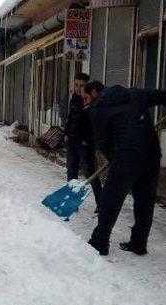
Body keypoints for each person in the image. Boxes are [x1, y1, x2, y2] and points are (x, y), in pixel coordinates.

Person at [83, 81, 166, 256]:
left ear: (94, 92)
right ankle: (138, 243)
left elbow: (102, 142)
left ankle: (100, 241)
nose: (85, 102)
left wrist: (114, 157)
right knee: (145, 201)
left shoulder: (97, 110)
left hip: (126, 156)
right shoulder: (134, 94)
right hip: (151, 154)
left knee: (110, 199)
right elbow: (161, 95)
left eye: (85, 98)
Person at [64, 73, 102, 210]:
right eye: (76, 85)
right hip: (72, 141)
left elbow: (94, 125)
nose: (78, 88)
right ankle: (72, 202)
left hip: (85, 144)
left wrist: (88, 140)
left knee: (90, 173)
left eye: (81, 86)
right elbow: (70, 118)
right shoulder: (74, 99)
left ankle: (101, 204)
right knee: (71, 171)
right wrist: (66, 134)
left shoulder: (90, 101)